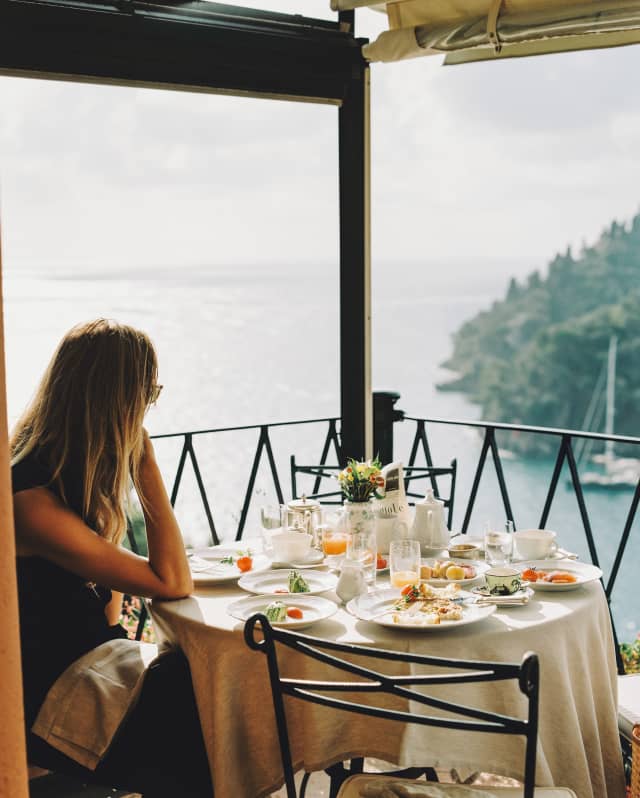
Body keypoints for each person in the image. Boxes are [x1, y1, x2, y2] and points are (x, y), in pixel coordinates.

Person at [11, 318, 214, 797]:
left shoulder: (67, 481)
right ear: (117, 400)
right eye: (147, 394)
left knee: (204, 688)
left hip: (91, 667)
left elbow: (108, 614)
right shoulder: (31, 499)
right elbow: (172, 581)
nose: (147, 408)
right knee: (198, 707)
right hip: (51, 694)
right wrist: (146, 466)